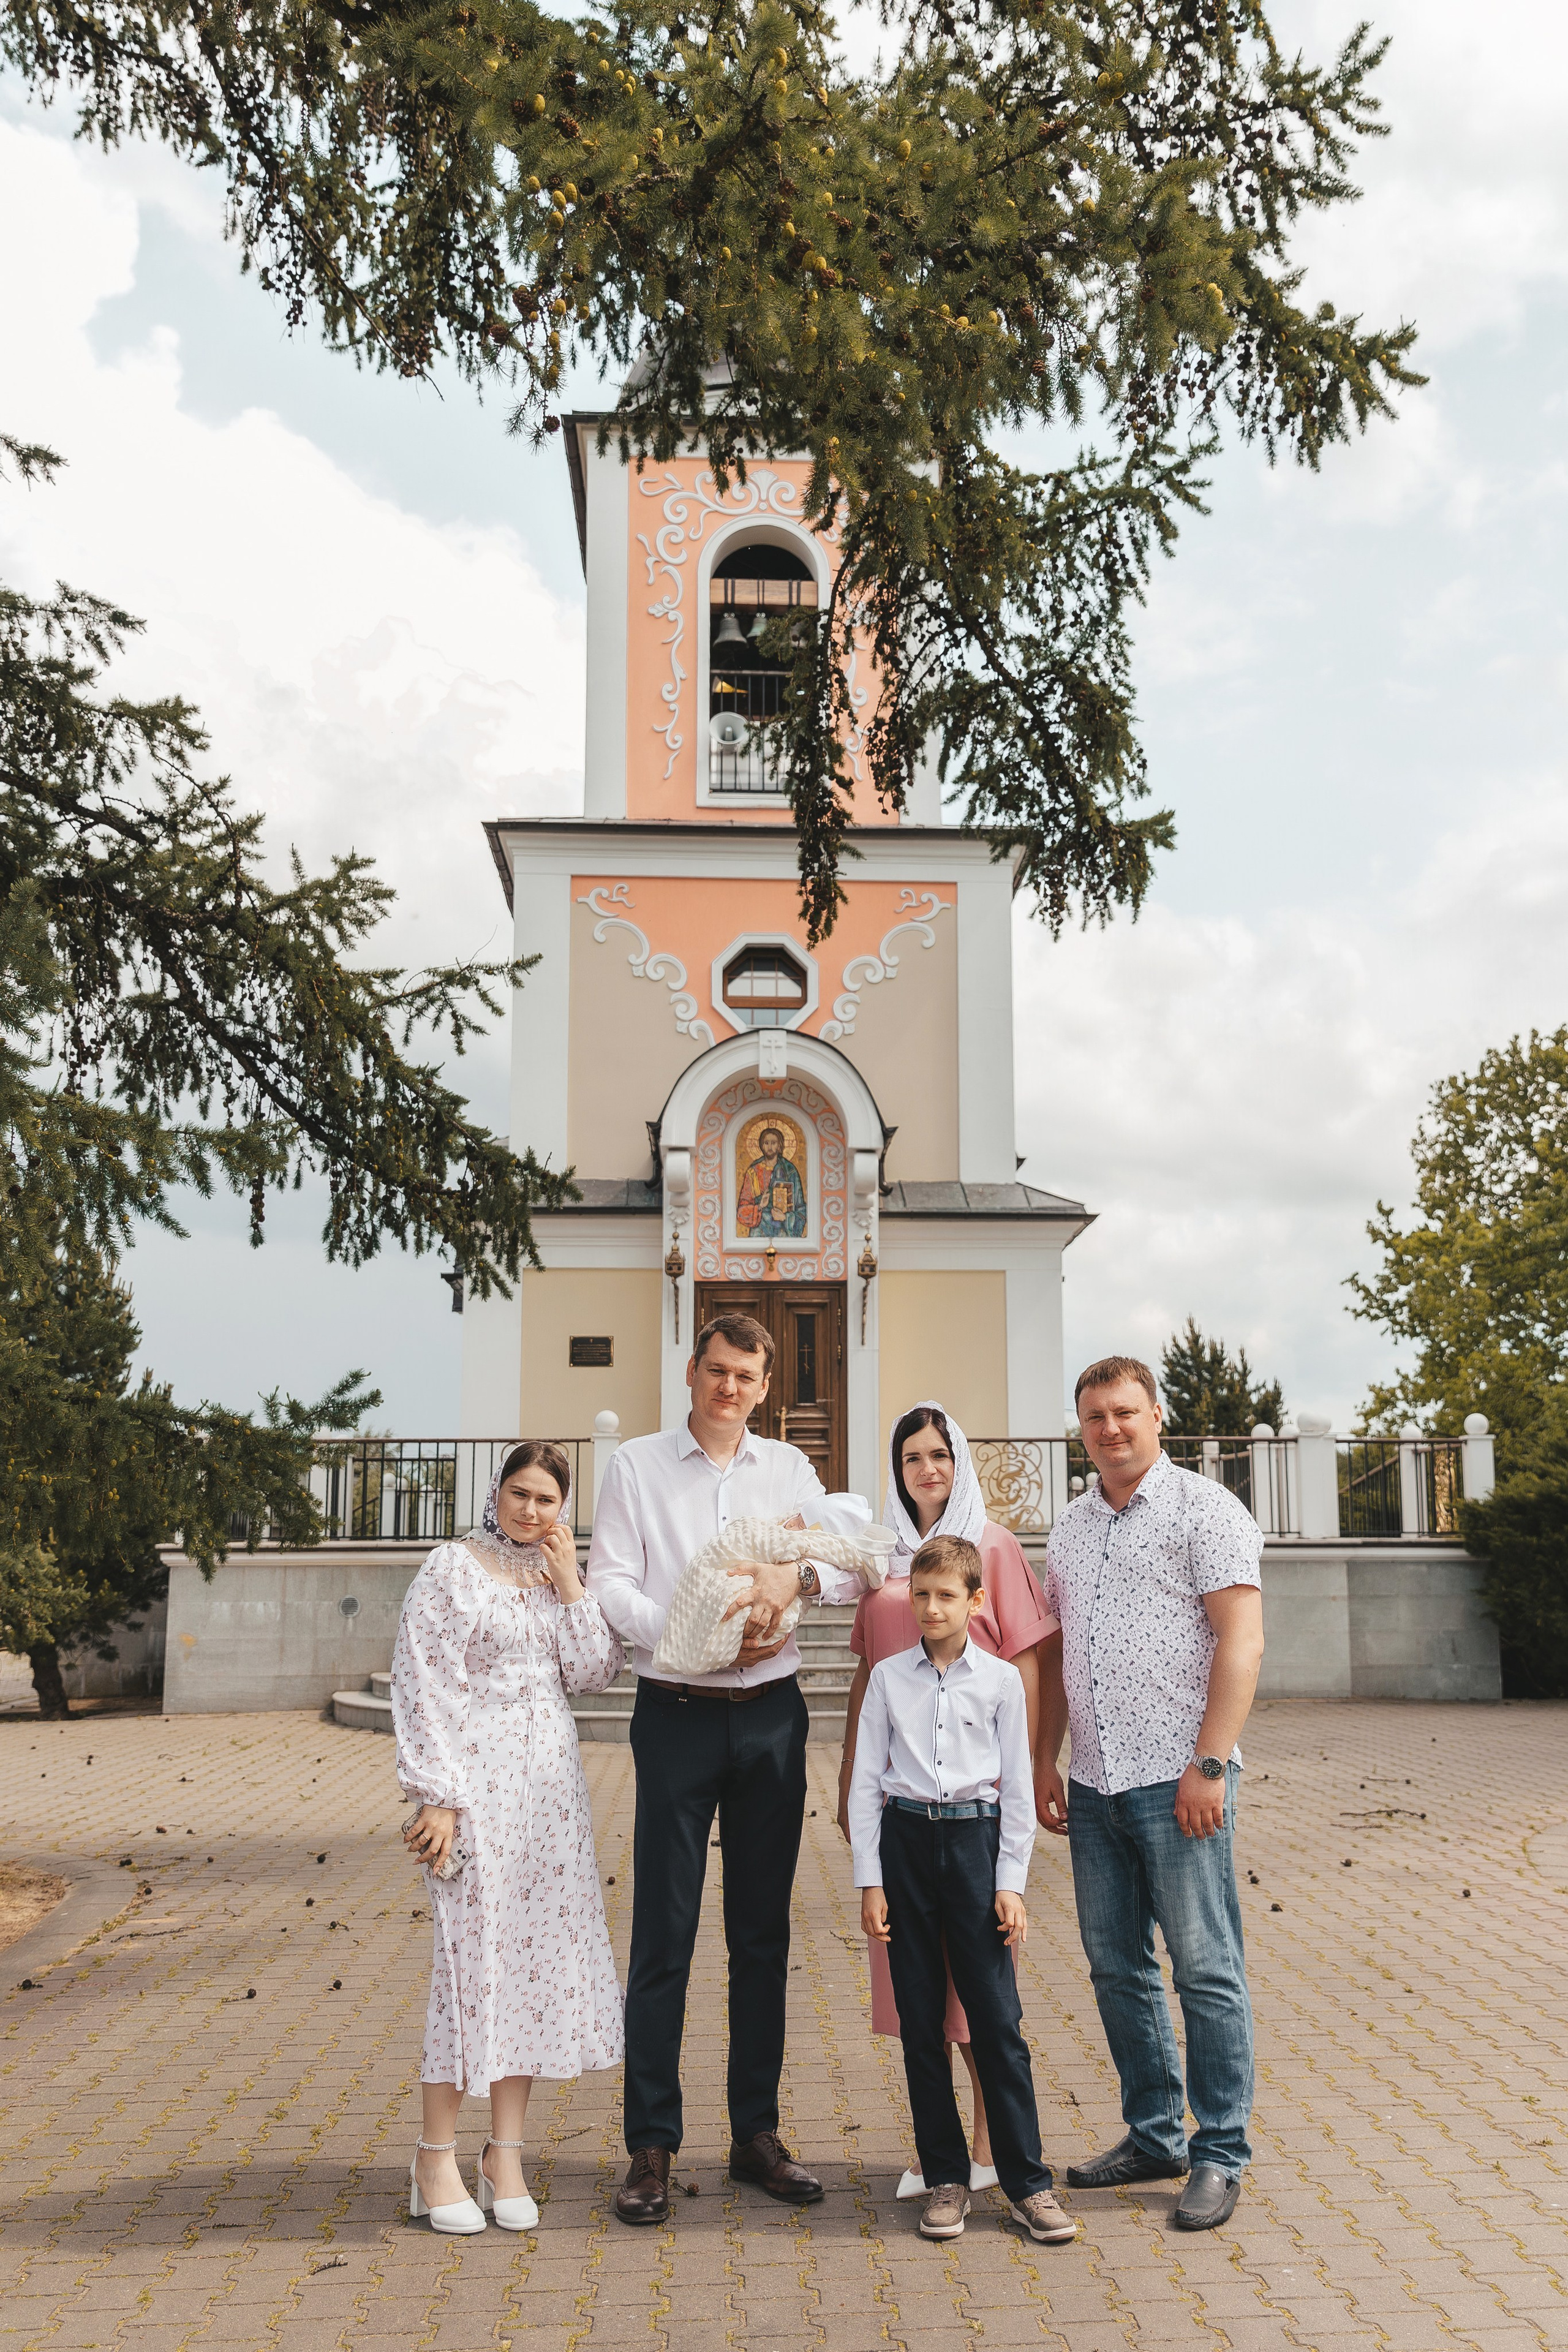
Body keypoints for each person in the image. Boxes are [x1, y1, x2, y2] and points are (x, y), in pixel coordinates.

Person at [587, 1310, 869, 2225]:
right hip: (674, 1713)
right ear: (690, 1370)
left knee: (760, 1935)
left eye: (747, 1378)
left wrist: (799, 1584)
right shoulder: (635, 1466)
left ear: (764, 1385)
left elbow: (851, 1564)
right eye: (716, 1371)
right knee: (663, 1935)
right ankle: (651, 2146)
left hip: (771, 1721)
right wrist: (692, 1625)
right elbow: (609, 1584)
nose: (729, 1388)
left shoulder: (789, 1471)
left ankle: (756, 2135)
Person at [1038, 1357, 1266, 2233]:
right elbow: (1059, 1655)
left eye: (1124, 1412)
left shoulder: (1205, 1510)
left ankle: (1219, 2152)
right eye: (1094, 1415)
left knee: (1205, 1968)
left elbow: (1241, 1641)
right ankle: (1154, 2134)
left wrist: (1210, 1764)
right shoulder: (1071, 1526)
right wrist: (1047, 1759)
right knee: (1117, 1970)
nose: (1110, 1428)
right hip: (1095, 1784)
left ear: (1157, 1416)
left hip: (1180, 1780)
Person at [393, 1442, 625, 2235]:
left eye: (547, 1501)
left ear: (564, 1509)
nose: (530, 1511)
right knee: (470, 1971)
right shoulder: (453, 1569)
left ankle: (505, 2153)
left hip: (549, 1800)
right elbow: (422, 1679)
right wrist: (437, 1794)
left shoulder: (557, 1571)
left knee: (530, 1972)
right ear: (497, 1492)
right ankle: (434, 2156)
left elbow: (594, 1672)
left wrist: (569, 1585)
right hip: (473, 1792)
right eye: (519, 1494)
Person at [836, 1402, 1059, 2195]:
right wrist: (848, 1785)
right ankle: (947, 2161)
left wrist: (1032, 1770)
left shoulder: (990, 1546)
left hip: (974, 1800)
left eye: (939, 1455)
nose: (926, 1469)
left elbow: (1026, 1662)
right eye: (911, 1458)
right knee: (918, 1993)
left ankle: (989, 2148)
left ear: (958, 1461)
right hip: (902, 1800)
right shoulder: (882, 1553)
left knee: (982, 1998)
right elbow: (870, 1669)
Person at [849, 1534, 1076, 2247]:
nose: (931, 1607)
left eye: (947, 1595)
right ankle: (945, 2179)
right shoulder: (889, 1679)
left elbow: (1013, 1790)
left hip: (975, 1847)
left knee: (996, 2023)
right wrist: (870, 1881)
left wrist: (1010, 1883)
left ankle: (1027, 2184)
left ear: (976, 1602)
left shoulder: (1001, 1681)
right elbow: (864, 1784)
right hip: (907, 1843)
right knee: (921, 2024)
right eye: (920, 1594)